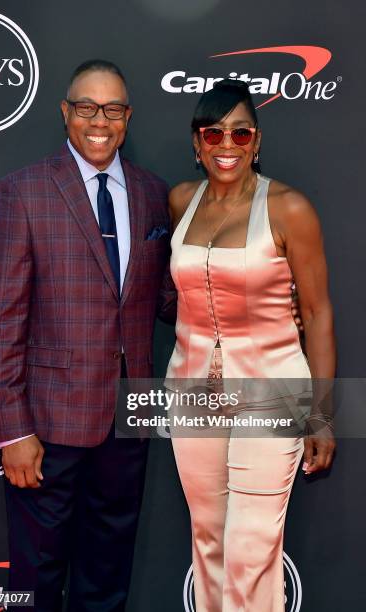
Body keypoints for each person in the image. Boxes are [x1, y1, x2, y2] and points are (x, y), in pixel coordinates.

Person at [0, 59, 170, 612]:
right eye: (87, 107)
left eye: (112, 109)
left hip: (128, 420)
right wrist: (12, 430)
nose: (99, 121)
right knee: (35, 576)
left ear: (127, 117)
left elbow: (158, 298)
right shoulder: (24, 191)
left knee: (107, 574)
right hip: (48, 426)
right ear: (66, 113)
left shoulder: (152, 193)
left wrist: (241, 302)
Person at [165, 79, 335, 612]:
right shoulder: (180, 201)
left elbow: (317, 313)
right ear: (197, 143)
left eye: (241, 132)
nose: (227, 144)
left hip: (273, 391)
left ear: (257, 141)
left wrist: (322, 414)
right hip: (193, 390)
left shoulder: (289, 209)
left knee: (249, 550)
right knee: (209, 542)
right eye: (213, 132)